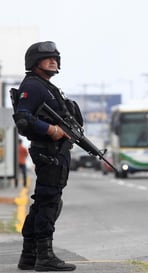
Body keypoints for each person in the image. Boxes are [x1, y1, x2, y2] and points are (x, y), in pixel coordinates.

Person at [12, 41, 77, 271]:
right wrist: (51, 130)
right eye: (47, 58)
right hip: (48, 153)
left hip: (54, 153)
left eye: (55, 58)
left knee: (43, 203)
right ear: (34, 62)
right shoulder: (34, 86)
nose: (53, 61)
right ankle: (45, 256)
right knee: (49, 203)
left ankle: (29, 256)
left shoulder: (46, 86)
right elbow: (22, 117)